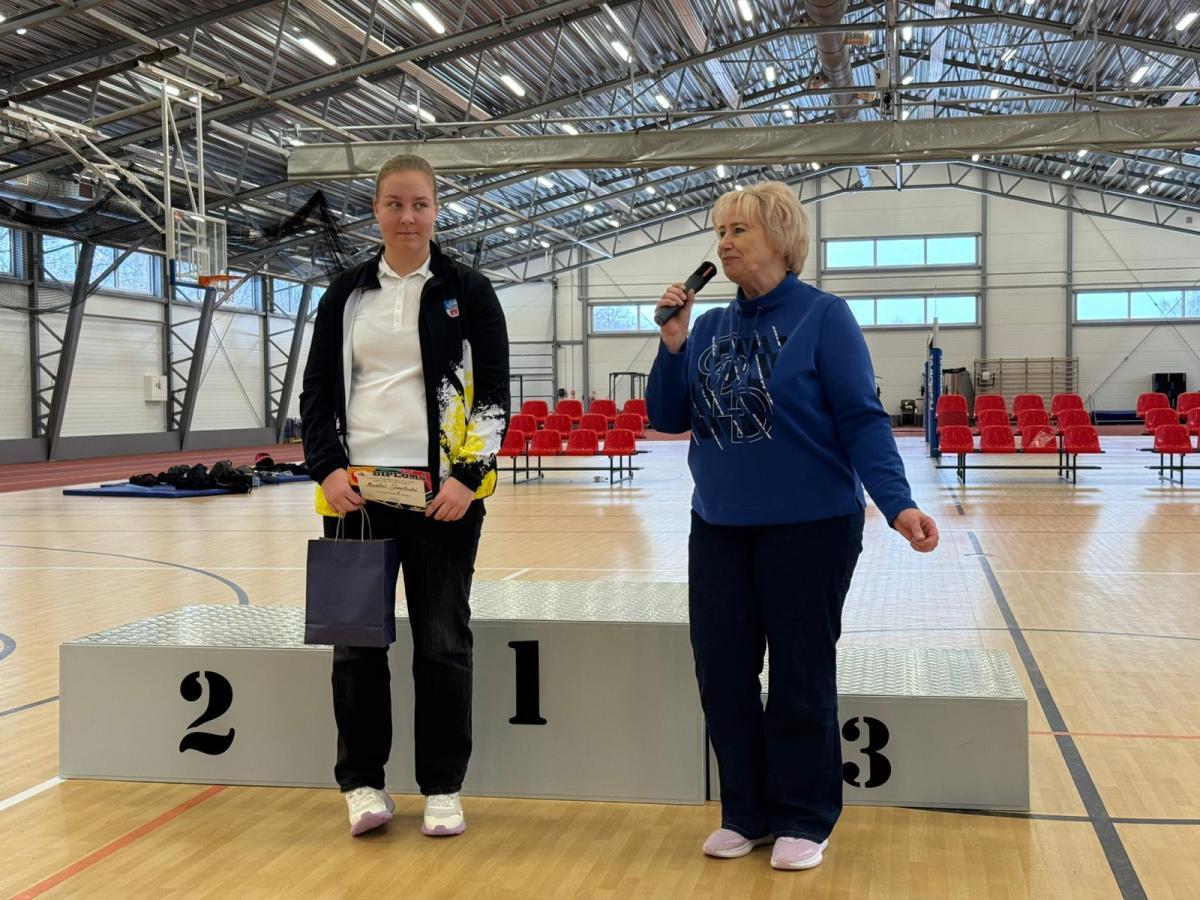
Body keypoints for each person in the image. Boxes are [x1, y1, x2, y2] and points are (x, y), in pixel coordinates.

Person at [646, 181, 938, 872]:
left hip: (811, 526)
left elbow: (862, 419)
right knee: (722, 671)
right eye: (720, 231)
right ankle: (745, 812)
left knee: (800, 674)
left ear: (781, 239)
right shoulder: (708, 328)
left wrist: (897, 503)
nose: (723, 243)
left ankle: (806, 815)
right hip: (718, 525)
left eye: (739, 230)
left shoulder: (823, 317)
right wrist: (672, 343)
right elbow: (667, 415)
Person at [300, 154, 509, 838]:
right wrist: (327, 469)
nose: (408, 216)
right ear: (376, 211)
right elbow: (317, 392)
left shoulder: (469, 290)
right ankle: (362, 785)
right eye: (394, 203)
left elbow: (495, 395)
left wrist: (467, 479)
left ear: (437, 210)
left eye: (420, 204)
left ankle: (443, 788)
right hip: (355, 498)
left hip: (442, 498)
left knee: (443, 644)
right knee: (355, 646)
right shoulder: (346, 294)